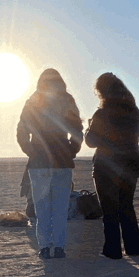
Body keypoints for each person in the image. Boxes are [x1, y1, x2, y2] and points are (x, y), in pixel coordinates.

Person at [17, 68, 83, 259]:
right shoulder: (67, 99)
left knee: (42, 206)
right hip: (61, 160)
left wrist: (31, 151)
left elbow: (21, 131)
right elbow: (77, 128)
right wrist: (71, 150)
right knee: (60, 207)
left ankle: (45, 247)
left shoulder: (33, 100)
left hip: (40, 161)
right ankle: (59, 247)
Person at [85, 73, 139, 259]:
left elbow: (91, 142)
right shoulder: (134, 112)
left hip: (106, 165)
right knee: (127, 206)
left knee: (110, 210)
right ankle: (134, 248)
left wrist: (88, 128)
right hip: (131, 164)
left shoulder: (102, 113)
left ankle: (112, 250)